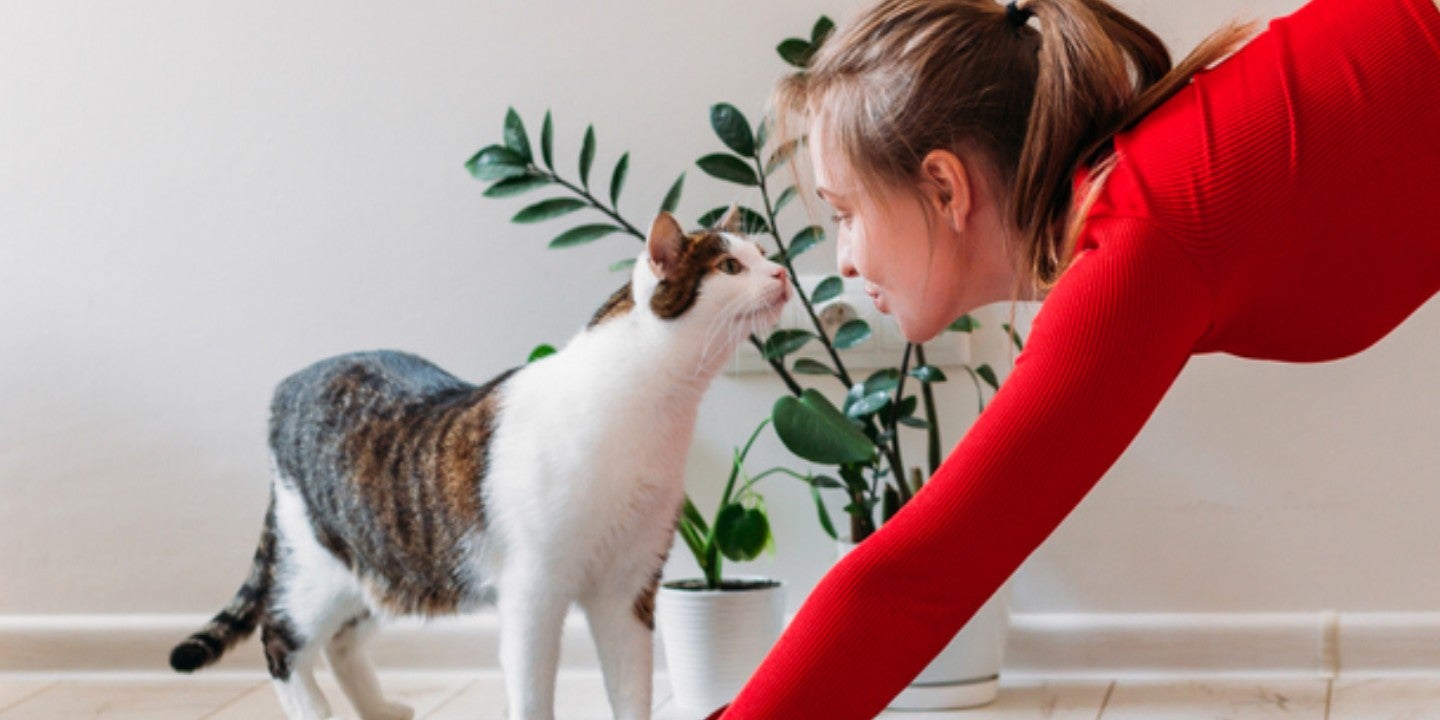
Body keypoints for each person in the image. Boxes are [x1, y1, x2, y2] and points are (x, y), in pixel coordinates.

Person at [704, 0, 1440, 716]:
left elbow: (913, 580)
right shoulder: (1133, 216)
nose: (845, 259)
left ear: (943, 187)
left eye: (844, 213)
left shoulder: (1134, 242)